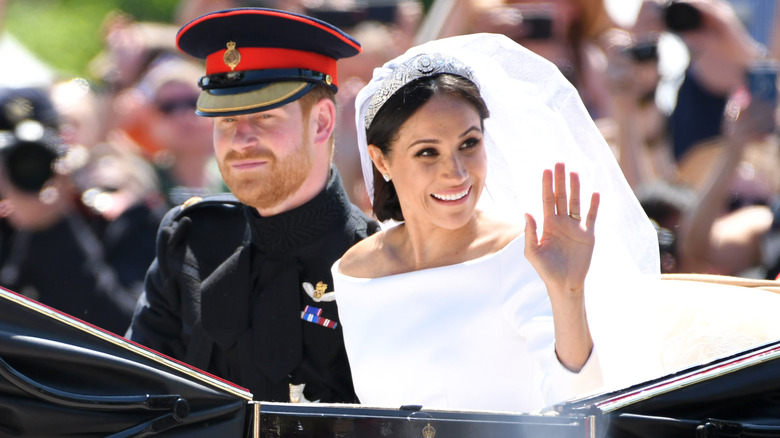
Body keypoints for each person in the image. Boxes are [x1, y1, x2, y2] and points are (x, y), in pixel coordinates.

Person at [332, 33, 663, 413]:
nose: (455, 173)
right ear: (381, 161)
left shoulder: (528, 252)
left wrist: (568, 293)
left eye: (469, 144)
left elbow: (580, 410)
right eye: (427, 152)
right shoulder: (355, 272)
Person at [125, 8, 379, 404]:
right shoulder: (189, 242)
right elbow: (134, 396)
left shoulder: (377, 263)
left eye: (263, 117)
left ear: (322, 122)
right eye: (224, 120)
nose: (240, 139)